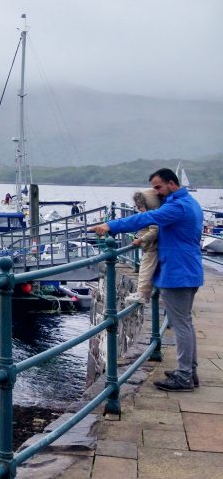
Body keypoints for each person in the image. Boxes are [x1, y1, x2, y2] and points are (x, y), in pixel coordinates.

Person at [91, 167, 203, 391]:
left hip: (177, 273)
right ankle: (189, 371)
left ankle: (184, 377)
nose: (156, 192)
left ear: (172, 184)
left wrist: (110, 226)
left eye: (158, 187)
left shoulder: (177, 207)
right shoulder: (191, 203)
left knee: (181, 324)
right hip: (189, 270)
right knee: (185, 323)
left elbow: (147, 217)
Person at [125, 189, 162, 305]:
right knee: (147, 270)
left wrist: (141, 239)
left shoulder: (152, 216)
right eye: (137, 207)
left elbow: (154, 232)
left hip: (152, 248)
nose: (139, 210)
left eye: (140, 207)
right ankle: (143, 293)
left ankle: (142, 294)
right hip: (151, 247)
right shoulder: (152, 214)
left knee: (145, 270)